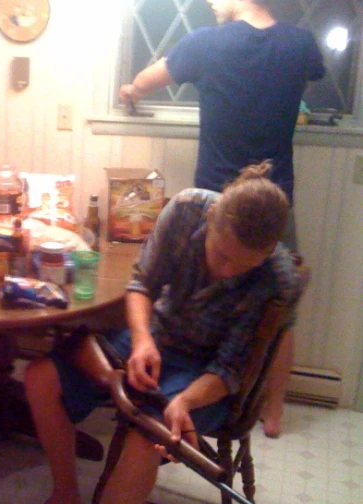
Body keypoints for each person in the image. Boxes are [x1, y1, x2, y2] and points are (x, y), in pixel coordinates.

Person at [9, 163, 303, 504]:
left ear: (266, 253)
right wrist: (144, 340)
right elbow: (142, 284)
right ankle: (65, 497)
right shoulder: (185, 209)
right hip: (153, 336)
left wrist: (185, 401)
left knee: (147, 435)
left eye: (242, 266)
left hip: (204, 374)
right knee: (40, 376)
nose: (226, 271)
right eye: (221, 254)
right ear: (212, 217)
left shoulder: (279, 279)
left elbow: (230, 369)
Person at [119, 0, 325, 437]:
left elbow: (146, 80)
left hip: (219, 204)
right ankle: (272, 409)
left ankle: (184, 382)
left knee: (204, 291)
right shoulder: (301, 43)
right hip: (274, 203)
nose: (212, 3)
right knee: (277, 311)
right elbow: (308, 78)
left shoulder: (205, 43)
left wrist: (132, 92)